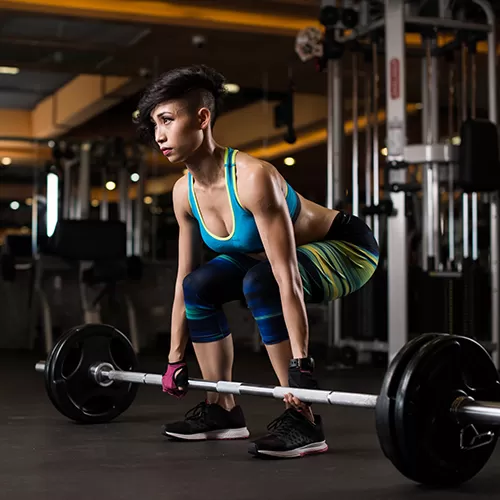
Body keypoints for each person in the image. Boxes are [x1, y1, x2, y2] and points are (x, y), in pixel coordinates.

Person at [135, 64, 379, 459]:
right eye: (154, 125)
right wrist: (173, 357)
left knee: (261, 282)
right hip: (270, 261)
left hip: (348, 249)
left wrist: (303, 364)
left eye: (167, 120)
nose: (159, 135)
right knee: (198, 286)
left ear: (202, 118)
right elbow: (184, 279)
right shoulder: (183, 193)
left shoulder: (252, 178)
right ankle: (222, 410)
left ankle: (302, 418)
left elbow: (286, 278)